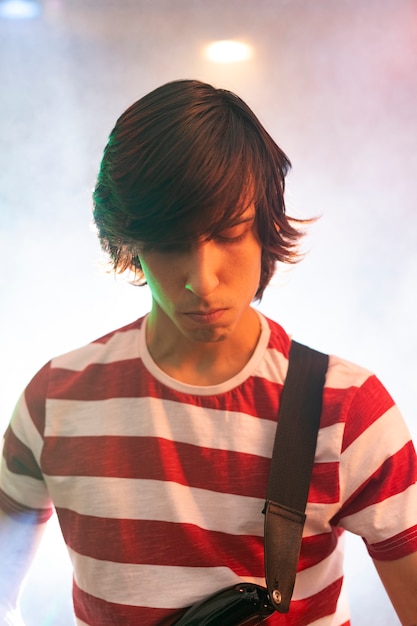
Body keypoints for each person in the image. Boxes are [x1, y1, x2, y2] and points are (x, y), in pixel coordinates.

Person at [0, 79, 416, 626]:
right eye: (170, 243)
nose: (201, 279)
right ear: (130, 242)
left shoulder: (347, 410)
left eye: (228, 232)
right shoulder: (56, 398)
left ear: (266, 226)